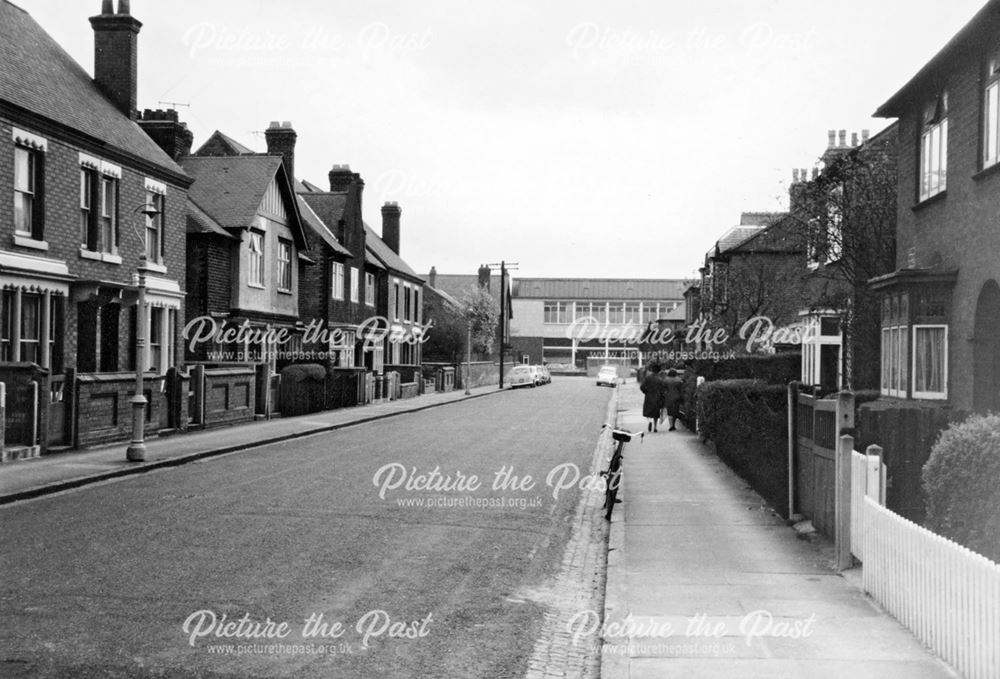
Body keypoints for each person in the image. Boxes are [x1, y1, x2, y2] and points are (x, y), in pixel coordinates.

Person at [640, 363, 665, 432]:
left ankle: (649, 421)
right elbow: (663, 390)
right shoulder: (660, 379)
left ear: (652, 370)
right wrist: (662, 398)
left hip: (648, 396)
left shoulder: (648, 378)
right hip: (657, 397)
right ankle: (655, 427)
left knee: (648, 411)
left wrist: (645, 392)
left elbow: (642, 387)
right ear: (658, 371)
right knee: (656, 413)